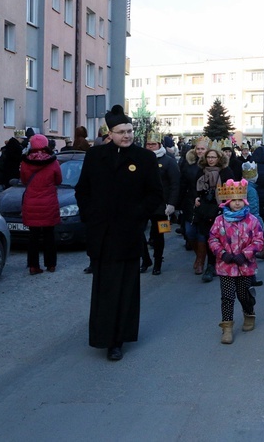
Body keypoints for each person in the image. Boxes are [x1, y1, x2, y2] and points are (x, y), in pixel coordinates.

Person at [75, 105, 163, 361]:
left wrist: (136, 214)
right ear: (109, 133)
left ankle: (118, 340)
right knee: (104, 288)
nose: (127, 135)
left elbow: (155, 194)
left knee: (125, 288)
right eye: (121, 131)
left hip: (128, 233)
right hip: (101, 234)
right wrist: (91, 215)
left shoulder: (144, 158)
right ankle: (102, 336)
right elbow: (83, 190)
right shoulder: (95, 156)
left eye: (129, 130)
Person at [208, 179, 264, 344]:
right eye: (234, 201)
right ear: (228, 202)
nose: (237, 204)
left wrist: (246, 254)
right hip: (225, 265)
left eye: (240, 200)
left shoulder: (252, 220)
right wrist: (222, 253)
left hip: (244, 265)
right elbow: (213, 238)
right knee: (227, 297)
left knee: (244, 294)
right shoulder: (220, 221)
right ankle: (227, 327)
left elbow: (259, 241)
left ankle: (249, 313)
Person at [20, 134, 62, 274]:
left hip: (31, 201)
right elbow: (58, 180)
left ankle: (33, 266)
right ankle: (51, 264)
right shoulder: (53, 162)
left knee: (33, 236)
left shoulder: (25, 162)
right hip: (48, 202)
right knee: (49, 234)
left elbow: (25, 180)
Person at [141, 131, 180, 275]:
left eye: (153, 144)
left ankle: (158, 262)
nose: (150, 146)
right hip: (143, 204)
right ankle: (145, 260)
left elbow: (175, 184)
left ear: (159, 144)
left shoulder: (168, 161)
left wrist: (172, 204)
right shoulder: (140, 160)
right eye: (148, 144)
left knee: (159, 235)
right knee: (138, 233)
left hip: (161, 206)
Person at [194, 146, 234, 281]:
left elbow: (231, 189)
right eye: (209, 157)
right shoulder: (201, 171)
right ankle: (210, 265)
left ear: (219, 158)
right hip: (204, 207)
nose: (211, 160)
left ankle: (220, 262)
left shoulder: (226, 171)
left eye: (213, 157)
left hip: (221, 207)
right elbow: (194, 187)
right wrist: (196, 197)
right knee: (206, 236)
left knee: (220, 237)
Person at [179, 137, 208, 272]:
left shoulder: (212, 163)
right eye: (198, 148)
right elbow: (182, 183)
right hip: (189, 201)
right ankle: (199, 256)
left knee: (202, 232)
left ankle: (200, 261)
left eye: (202, 149)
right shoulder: (188, 163)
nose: (200, 151)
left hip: (206, 202)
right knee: (189, 232)